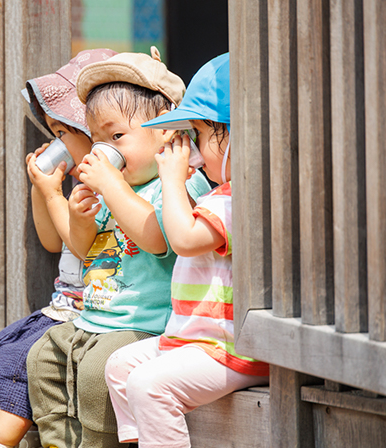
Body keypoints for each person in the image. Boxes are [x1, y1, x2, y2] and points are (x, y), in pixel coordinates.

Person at [26, 47, 212, 448]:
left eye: (116, 137)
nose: (101, 149)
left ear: (166, 132)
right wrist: (79, 216)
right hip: (95, 316)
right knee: (42, 358)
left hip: (144, 325)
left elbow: (158, 238)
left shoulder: (177, 182)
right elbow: (82, 247)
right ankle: (60, 441)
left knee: (97, 373)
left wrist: (111, 185)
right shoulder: (115, 187)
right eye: (95, 139)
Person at [103, 53, 269, 448]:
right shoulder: (217, 194)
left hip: (229, 349)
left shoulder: (236, 199)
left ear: (231, 133)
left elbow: (184, 240)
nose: (190, 146)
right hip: (196, 342)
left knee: (147, 384)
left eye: (197, 134)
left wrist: (172, 179)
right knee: (119, 365)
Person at [0, 48, 118, 448]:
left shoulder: (113, 191)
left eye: (63, 132)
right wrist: (43, 191)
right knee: (15, 350)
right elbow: (52, 241)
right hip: (66, 304)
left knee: (23, 360)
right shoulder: (80, 187)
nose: (57, 143)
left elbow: (87, 250)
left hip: (92, 312)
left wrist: (54, 197)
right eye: (53, 132)